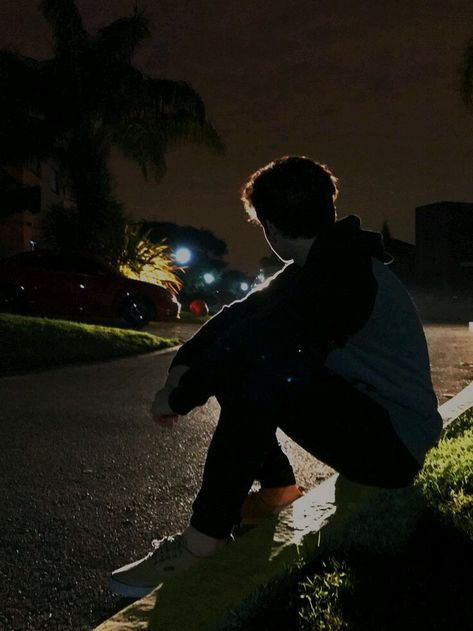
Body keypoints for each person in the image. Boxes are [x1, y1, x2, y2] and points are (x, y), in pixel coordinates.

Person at [109, 156, 442, 598]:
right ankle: (276, 490)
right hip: (376, 428)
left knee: (262, 371)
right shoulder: (320, 265)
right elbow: (237, 318)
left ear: (271, 227)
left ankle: (202, 544)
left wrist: (179, 397)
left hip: (394, 449)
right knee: (252, 361)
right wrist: (182, 370)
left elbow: (260, 343)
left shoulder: (342, 275)